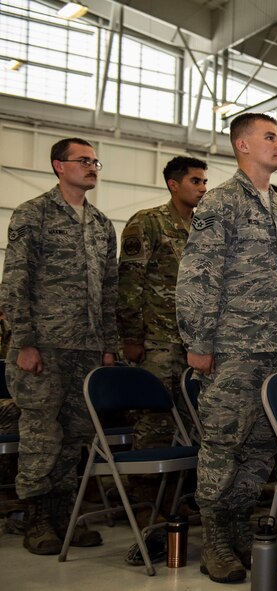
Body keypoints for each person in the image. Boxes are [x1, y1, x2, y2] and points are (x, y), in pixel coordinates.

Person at [176, 113, 277, 583]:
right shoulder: (222, 202)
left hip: (273, 348)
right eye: (269, 136)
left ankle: (241, 527)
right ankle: (215, 541)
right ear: (242, 145)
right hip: (230, 347)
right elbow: (197, 275)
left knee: (262, 446)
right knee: (223, 443)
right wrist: (199, 341)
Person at [1, 137, 117, 555]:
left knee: (76, 436)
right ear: (58, 166)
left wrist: (108, 345)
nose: (91, 167)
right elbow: (15, 281)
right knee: (41, 434)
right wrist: (25, 341)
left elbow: (109, 289)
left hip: (86, 349)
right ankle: (35, 520)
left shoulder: (102, 224)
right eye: (82, 161)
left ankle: (65, 516)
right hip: (44, 347)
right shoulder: (34, 214)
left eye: (94, 161)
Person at [116, 155, 207, 563]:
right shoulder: (147, 222)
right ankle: (143, 509)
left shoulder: (203, 228)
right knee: (152, 425)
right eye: (195, 180)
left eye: (205, 180)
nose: (202, 187)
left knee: (189, 426)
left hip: (193, 344)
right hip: (156, 341)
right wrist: (132, 335)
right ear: (173, 184)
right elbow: (130, 281)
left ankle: (176, 504)